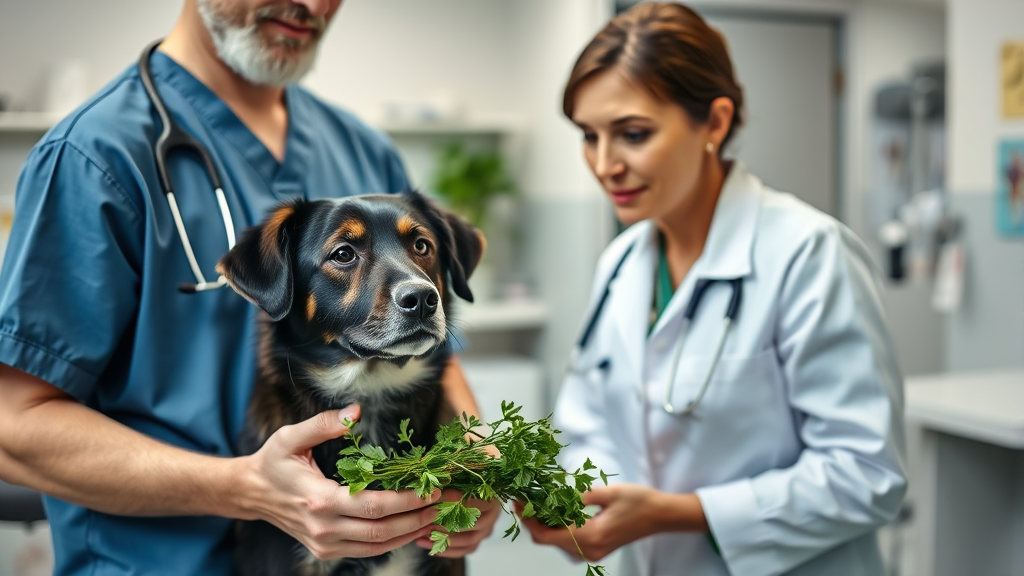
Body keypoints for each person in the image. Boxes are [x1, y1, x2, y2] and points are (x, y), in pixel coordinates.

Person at [0, 1, 498, 574]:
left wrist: (475, 454)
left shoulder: (362, 148)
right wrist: (247, 489)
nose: (312, 6)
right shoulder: (93, 158)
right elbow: (16, 425)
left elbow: (429, 350)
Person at [519, 4, 907, 575]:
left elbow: (867, 476)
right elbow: (590, 429)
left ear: (716, 123)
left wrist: (676, 513)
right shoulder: (622, 263)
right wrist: (572, 498)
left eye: (632, 134)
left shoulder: (809, 252)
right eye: (588, 136)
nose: (604, 165)